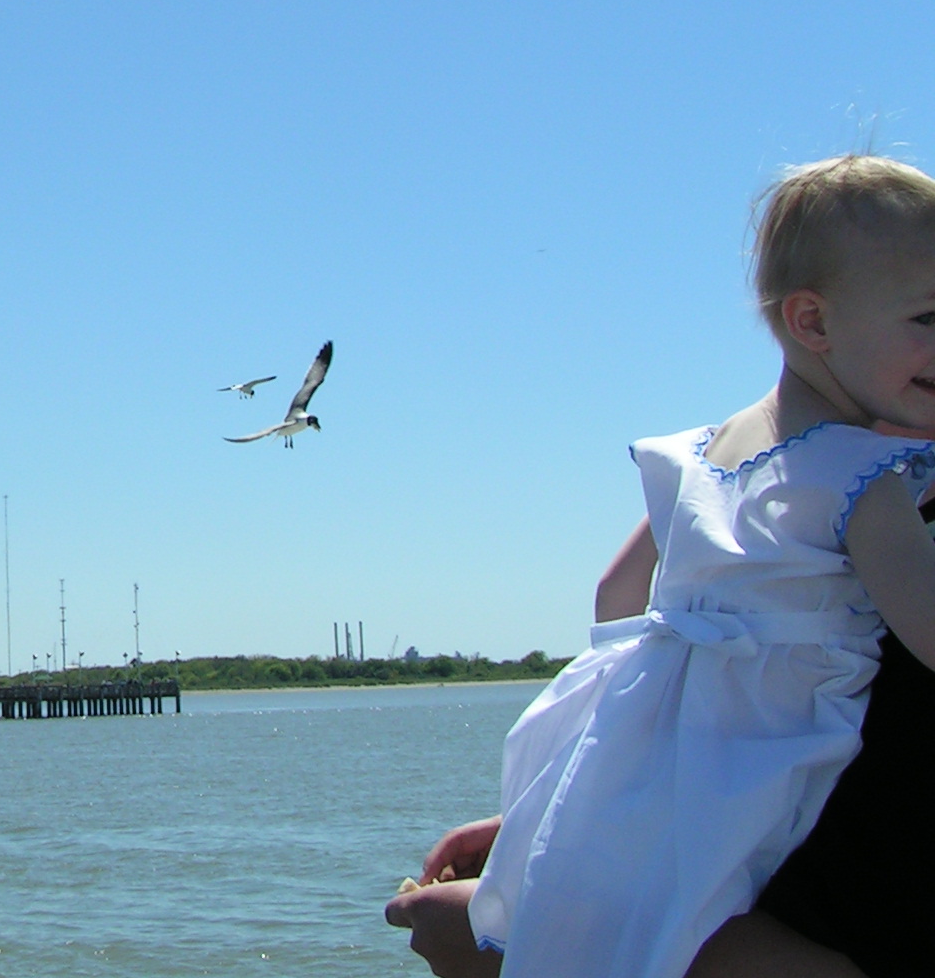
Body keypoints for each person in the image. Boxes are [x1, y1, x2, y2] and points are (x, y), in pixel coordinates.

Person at [390, 155, 935, 978]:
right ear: (813, 323)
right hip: (770, 761)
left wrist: (615, 755)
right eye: (929, 317)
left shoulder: (706, 450)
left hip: (675, 742)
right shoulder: (863, 475)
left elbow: (616, 593)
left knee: (633, 916)